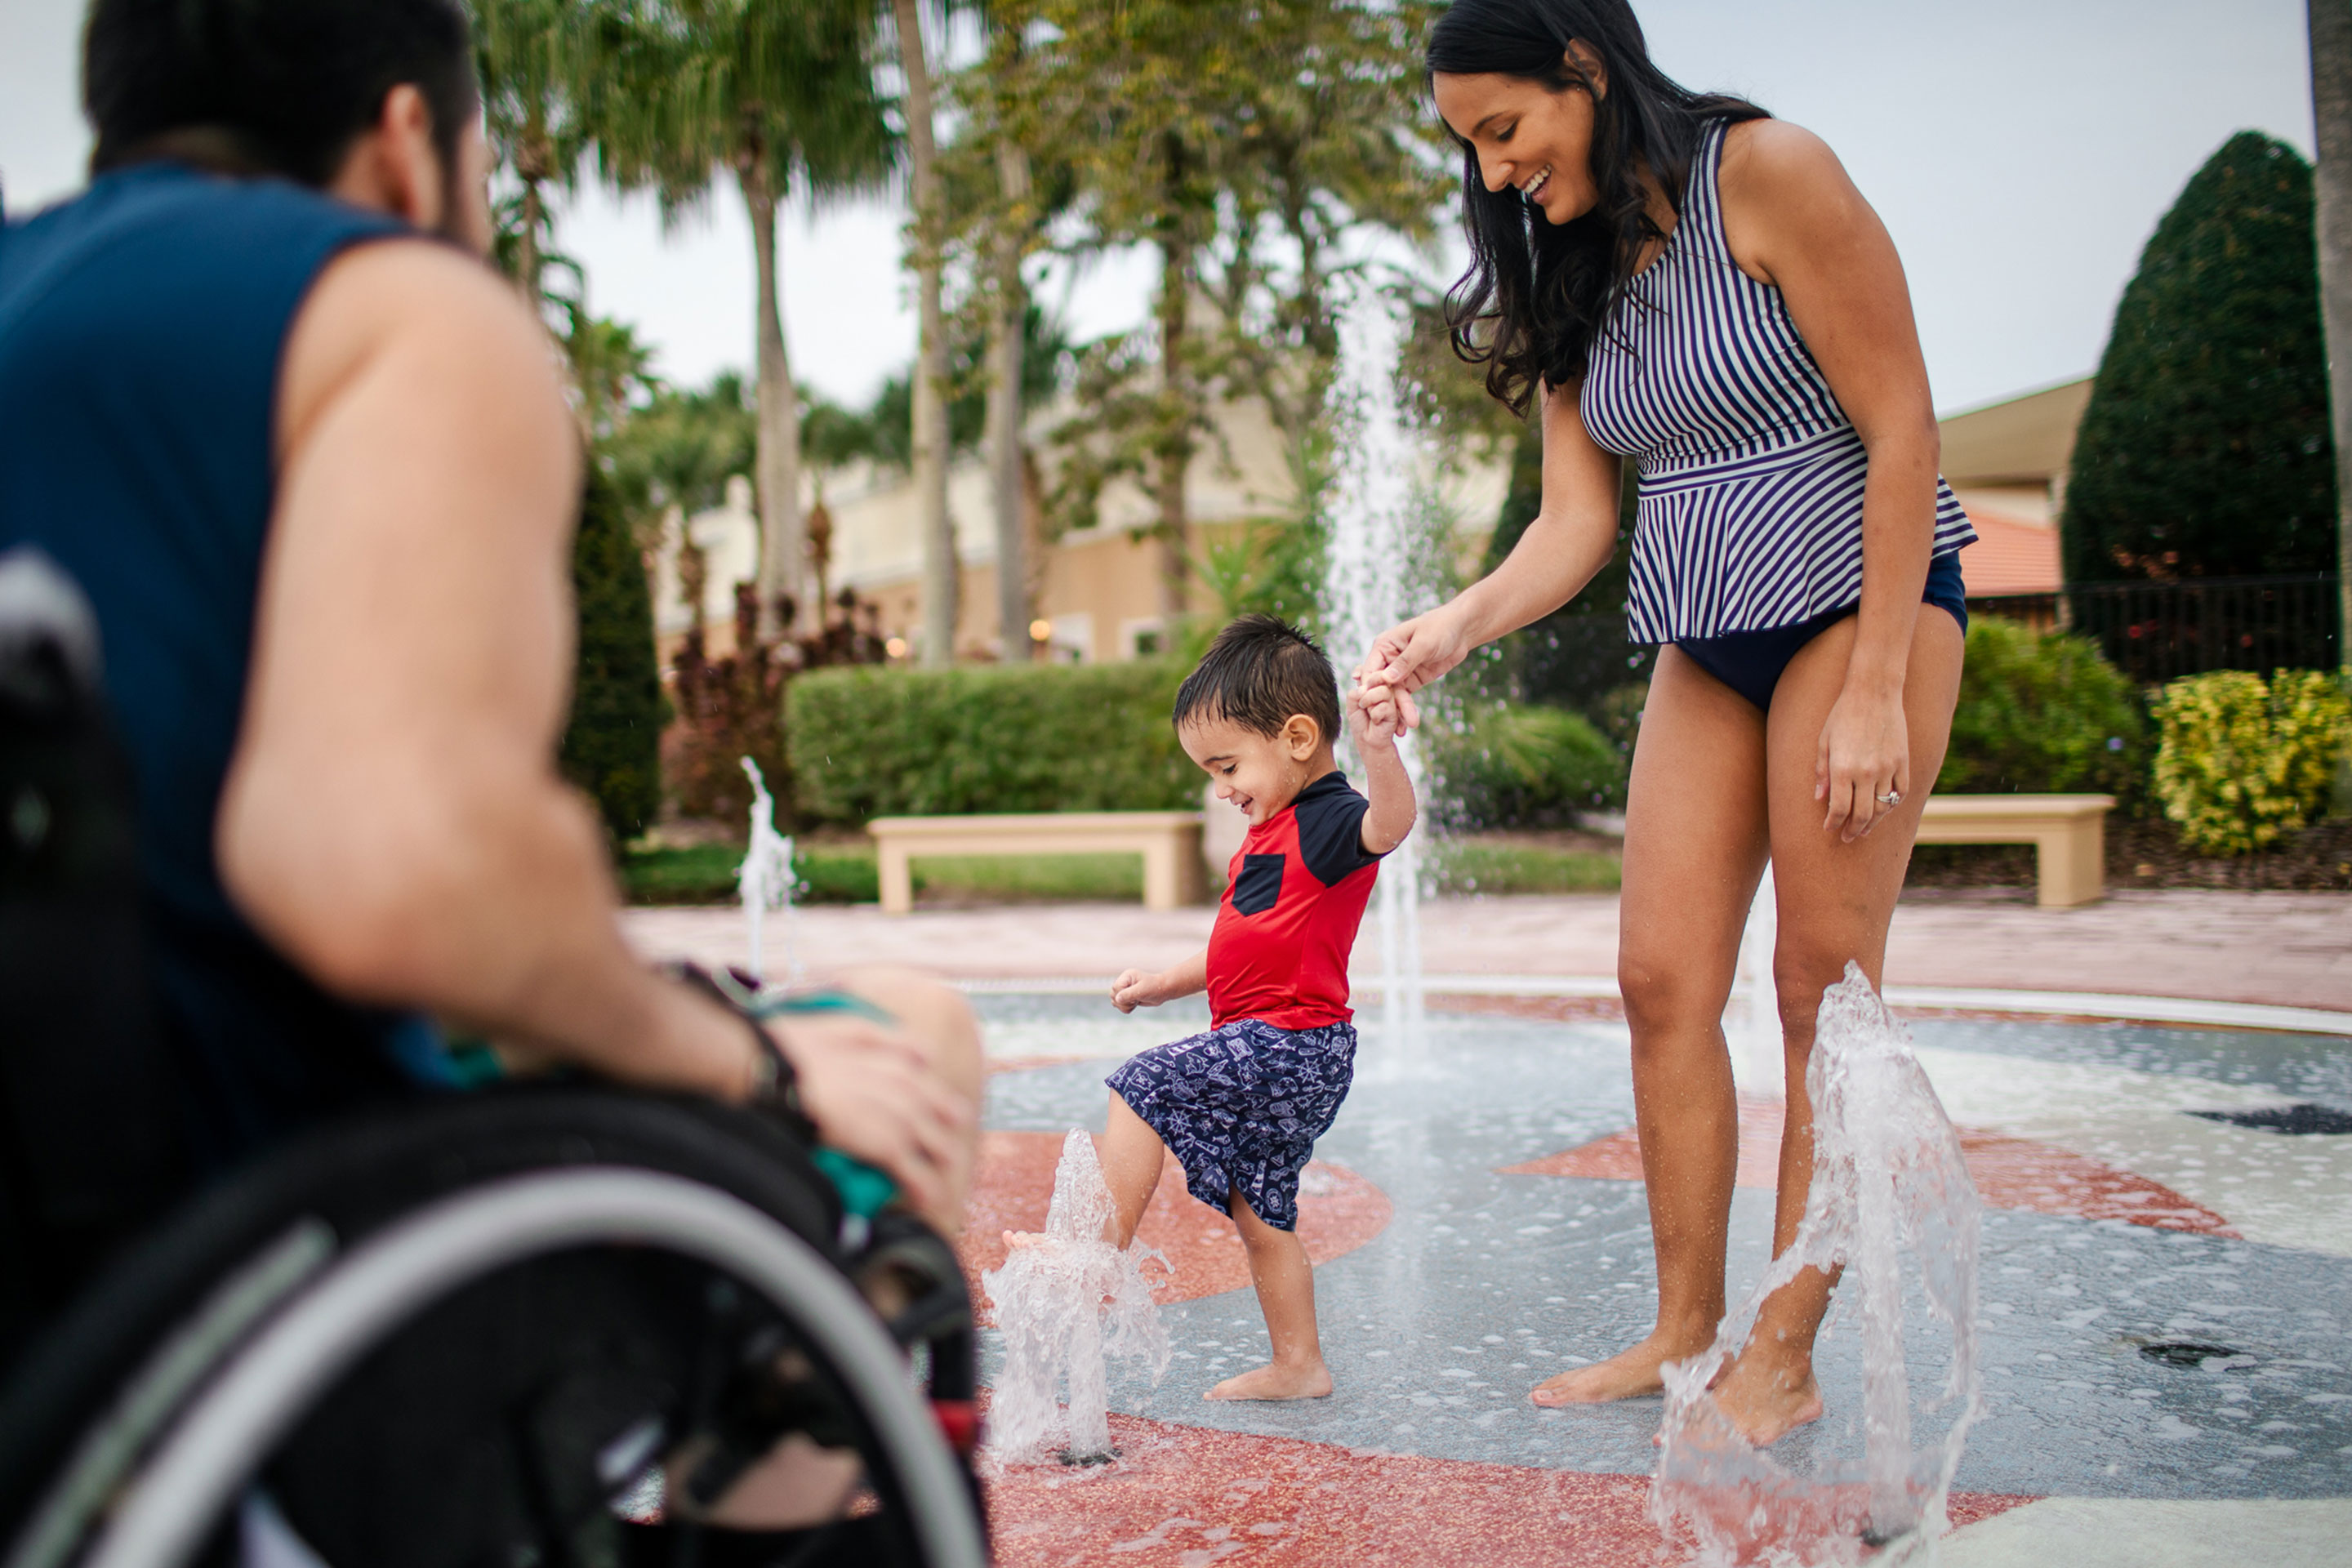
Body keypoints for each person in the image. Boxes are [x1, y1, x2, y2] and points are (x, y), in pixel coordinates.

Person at [0, 0, 978, 1527]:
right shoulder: (387, 306)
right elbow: (398, 875)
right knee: (902, 1046)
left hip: (53, 1280)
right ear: (409, 144)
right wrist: (746, 1063)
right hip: (272, 1286)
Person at [1356, 0, 1976, 1445]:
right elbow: (1577, 522)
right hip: (1711, 633)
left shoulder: (1768, 172)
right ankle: (1684, 1327)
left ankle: (1788, 1344)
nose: (1496, 173)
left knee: (1823, 990)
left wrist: (1880, 678)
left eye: (1504, 130)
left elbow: (1903, 423)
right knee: (1658, 979)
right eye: (1471, 149)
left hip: (1858, 608)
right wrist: (1453, 624)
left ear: (1584, 65)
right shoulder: (1568, 264)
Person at [1016, 616, 1414, 1401]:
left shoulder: (1330, 819)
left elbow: (1391, 825)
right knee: (1260, 1211)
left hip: (1293, 1041)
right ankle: (1300, 1365)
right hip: (1279, 1043)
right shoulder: (1268, 833)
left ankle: (1097, 1250)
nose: (1222, 787)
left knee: (1141, 1082)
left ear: (1299, 737)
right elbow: (1242, 943)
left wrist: (1378, 752)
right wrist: (1165, 982)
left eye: (1228, 765)